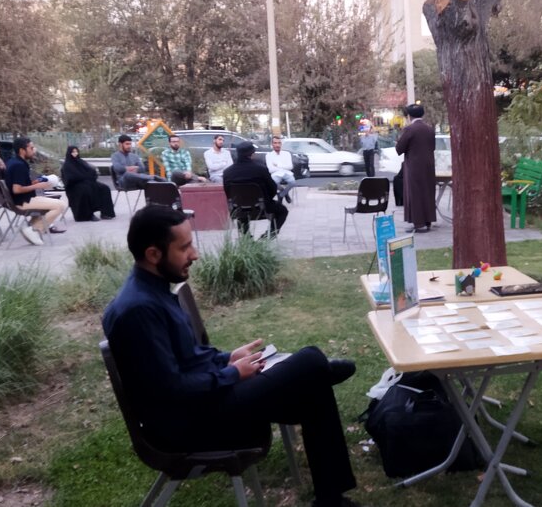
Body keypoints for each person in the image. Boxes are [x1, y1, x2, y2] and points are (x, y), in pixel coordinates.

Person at [102, 206, 359, 507]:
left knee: (313, 388)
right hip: (190, 424)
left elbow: (187, 358)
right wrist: (233, 374)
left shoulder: (153, 292)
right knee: (310, 360)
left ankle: (330, 499)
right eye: (184, 247)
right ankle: (320, 368)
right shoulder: (138, 310)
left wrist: (226, 359)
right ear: (153, 254)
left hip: (203, 404)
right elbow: (170, 389)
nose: (195, 254)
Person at [4, 137, 69, 246]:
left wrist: (34, 182)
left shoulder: (15, 162)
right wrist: (38, 186)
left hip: (24, 199)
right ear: (22, 150)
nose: (34, 150)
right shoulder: (18, 165)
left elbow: (20, 184)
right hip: (23, 202)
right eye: (31, 148)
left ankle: (31, 228)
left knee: (53, 204)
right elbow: (16, 189)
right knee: (60, 205)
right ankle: (35, 230)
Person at [223, 142, 288, 237]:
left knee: (242, 211)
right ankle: (268, 236)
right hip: (262, 208)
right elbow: (273, 189)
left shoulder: (227, 172)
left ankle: (246, 239)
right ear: (252, 154)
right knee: (283, 211)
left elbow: (228, 192)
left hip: (238, 209)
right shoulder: (261, 169)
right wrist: (266, 200)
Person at [395, 103, 436, 232]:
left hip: (414, 166)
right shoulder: (429, 129)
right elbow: (433, 147)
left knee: (415, 194)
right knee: (428, 192)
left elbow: (399, 149)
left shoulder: (409, 129)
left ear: (409, 116)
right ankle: (428, 221)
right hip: (429, 165)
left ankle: (418, 223)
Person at [61, 146, 115, 221]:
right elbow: (71, 178)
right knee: (86, 190)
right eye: (73, 152)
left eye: (76, 151)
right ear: (69, 153)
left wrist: (89, 177)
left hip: (87, 182)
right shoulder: (67, 165)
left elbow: (91, 171)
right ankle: (88, 215)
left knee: (104, 188)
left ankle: (106, 213)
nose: (75, 153)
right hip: (74, 186)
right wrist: (84, 177)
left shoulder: (81, 162)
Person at [264, 135, 296, 203]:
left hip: (287, 173)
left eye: (279, 143)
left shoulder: (287, 154)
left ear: (281, 144)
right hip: (276, 174)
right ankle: (284, 192)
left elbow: (290, 166)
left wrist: (277, 165)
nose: (277, 145)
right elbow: (270, 170)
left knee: (293, 182)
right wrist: (283, 167)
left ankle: (281, 195)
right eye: (275, 143)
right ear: (272, 144)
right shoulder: (269, 155)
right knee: (273, 183)